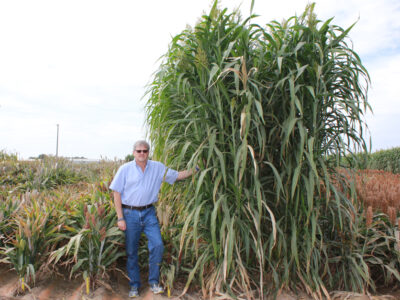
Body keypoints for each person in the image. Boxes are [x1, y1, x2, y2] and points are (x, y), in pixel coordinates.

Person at [109, 140, 198, 298]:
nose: (142, 154)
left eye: (145, 151)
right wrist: (120, 217)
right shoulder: (125, 169)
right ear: (134, 152)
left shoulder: (157, 167)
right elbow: (116, 193)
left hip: (149, 212)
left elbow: (177, 175)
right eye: (139, 151)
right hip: (130, 214)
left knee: (157, 245)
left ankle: (154, 282)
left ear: (148, 152)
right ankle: (134, 286)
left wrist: (196, 169)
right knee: (131, 251)